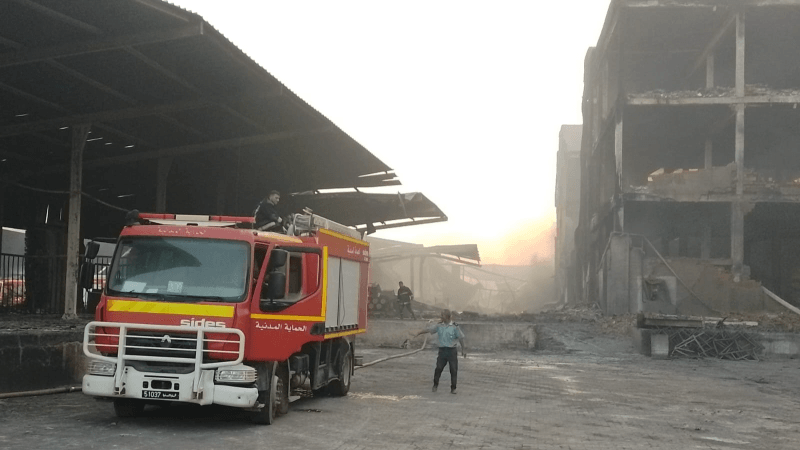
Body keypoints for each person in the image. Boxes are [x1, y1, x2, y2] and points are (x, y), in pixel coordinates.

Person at [414, 309, 466, 394]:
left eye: (443, 315)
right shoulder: (439, 326)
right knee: (438, 368)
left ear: (448, 317)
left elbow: (460, 338)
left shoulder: (455, 326)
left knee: (453, 370)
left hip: (452, 351)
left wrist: (463, 350)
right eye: (441, 315)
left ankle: (453, 388)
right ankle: (435, 385)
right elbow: (428, 329)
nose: (441, 317)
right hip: (442, 351)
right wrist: (419, 333)